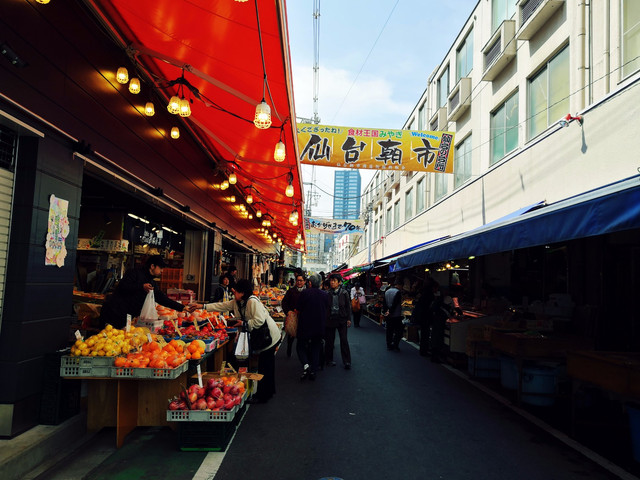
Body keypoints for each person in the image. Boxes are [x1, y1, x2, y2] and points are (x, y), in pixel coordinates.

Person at [192, 279, 280, 404]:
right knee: (267, 365)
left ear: (242, 293)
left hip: (269, 337)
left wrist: (243, 323)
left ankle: (263, 395)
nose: (234, 293)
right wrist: (203, 306)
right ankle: (268, 392)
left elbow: (259, 321)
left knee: (265, 366)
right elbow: (222, 306)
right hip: (264, 338)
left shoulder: (252, 302)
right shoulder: (238, 302)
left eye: (236, 291)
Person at [98, 255, 185, 329]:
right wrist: (141, 287)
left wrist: (182, 308)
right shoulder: (133, 273)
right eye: (160, 268)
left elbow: (161, 298)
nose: (162, 271)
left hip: (127, 317)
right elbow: (123, 287)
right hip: (114, 314)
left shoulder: (152, 282)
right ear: (152, 266)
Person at [295, 273, 329, 380]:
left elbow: (298, 309)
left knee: (300, 346)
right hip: (319, 326)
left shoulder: (305, 293)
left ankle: (306, 365)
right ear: (320, 283)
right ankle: (313, 371)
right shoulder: (325, 295)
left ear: (309, 283)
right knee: (316, 347)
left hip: (305, 325)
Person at [325, 273, 352, 369]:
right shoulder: (327, 293)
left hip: (342, 319)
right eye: (331, 280)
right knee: (330, 341)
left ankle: (347, 361)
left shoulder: (344, 293)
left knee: (344, 340)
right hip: (331, 319)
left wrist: (349, 319)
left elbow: (348, 307)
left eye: (334, 280)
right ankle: (328, 360)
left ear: (339, 282)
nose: (332, 282)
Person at [281, 273, 306, 357]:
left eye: (301, 280)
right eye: (297, 280)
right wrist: (287, 311)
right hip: (293, 316)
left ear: (304, 281)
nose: (299, 282)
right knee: (291, 335)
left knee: (302, 336)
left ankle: (301, 353)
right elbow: (284, 302)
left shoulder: (307, 292)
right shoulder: (291, 291)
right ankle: (289, 350)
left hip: (303, 317)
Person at [412, 279, 437, 356]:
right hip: (425, 317)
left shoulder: (423, 293)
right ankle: (424, 351)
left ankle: (423, 350)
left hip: (421, 316)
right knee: (425, 334)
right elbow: (430, 307)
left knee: (424, 334)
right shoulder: (430, 295)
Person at [430, 293, 453, 363]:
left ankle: (434, 356)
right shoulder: (444, 309)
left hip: (436, 324)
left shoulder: (439, 307)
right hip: (439, 325)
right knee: (438, 340)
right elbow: (449, 315)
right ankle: (436, 357)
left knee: (435, 339)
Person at [382, 279, 404, 351]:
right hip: (396, 315)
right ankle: (395, 344)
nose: (402, 287)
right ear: (398, 285)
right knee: (399, 331)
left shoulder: (387, 291)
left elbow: (384, 303)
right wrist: (391, 311)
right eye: (401, 286)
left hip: (388, 316)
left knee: (389, 330)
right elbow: (395, 304)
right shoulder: (398, 292)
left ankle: (389, 344)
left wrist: (386, 312)